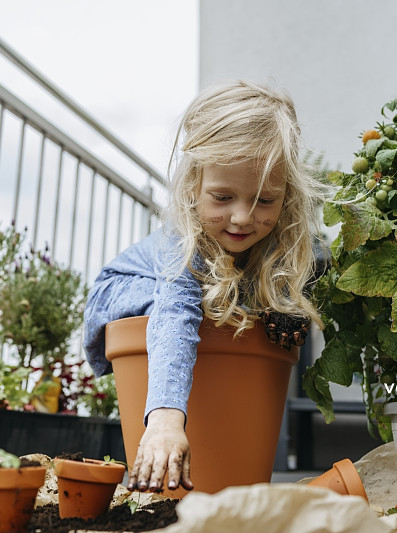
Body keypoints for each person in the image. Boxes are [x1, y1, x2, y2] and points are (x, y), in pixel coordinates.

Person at [83, 79, 327, 493]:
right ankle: (161, 440)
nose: (242, 217)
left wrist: (285, 307)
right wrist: (165, 419)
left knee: (244, 310)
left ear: (286, 195)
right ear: (193, 188)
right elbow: (174, 313)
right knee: (197, 306)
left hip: (194, 308)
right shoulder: (186, 237)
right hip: (128, 293)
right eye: (222, 197)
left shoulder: (281, 235)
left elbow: (296, 278)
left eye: (264, 200)